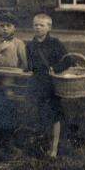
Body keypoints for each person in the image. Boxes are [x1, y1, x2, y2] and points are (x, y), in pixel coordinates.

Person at [26, 13, 73, 158]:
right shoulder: (30, 45)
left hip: (53, 84)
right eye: (35, 25)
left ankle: (54, 149)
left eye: (42, 25)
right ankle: (44, 145)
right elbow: (29, 64)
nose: (38, 28)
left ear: (49, 27)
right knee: (41, 114)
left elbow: (68, 61)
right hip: (38, 84)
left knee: (54, 115)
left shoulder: (55, 43)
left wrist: (55, 68)